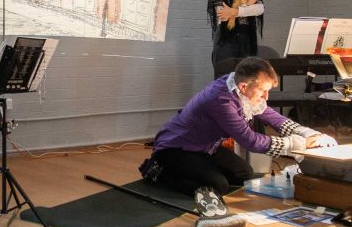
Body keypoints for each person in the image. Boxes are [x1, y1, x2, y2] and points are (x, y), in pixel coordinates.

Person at [139, 57, 336, 199]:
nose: (266, 97)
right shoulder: (221, 100)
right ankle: (157, 172)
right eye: (263, 91)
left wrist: (308, 133)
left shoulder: (239, 86)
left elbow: (270, 116)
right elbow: (249, 140)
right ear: (243, 87)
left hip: (207, 147)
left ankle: (196, 170)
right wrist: (297, 144)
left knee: (245, 174)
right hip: (176, 148)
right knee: (217, 186)